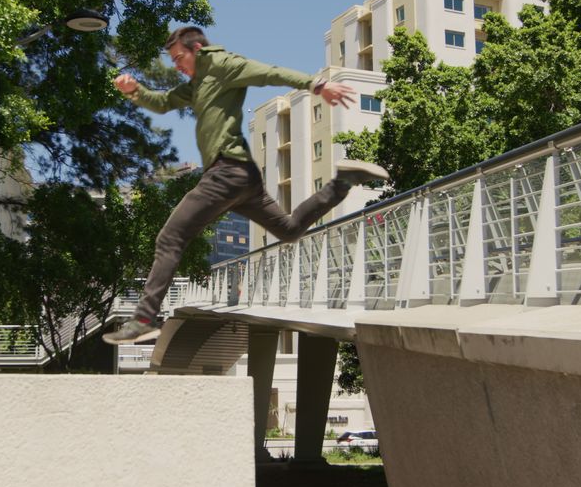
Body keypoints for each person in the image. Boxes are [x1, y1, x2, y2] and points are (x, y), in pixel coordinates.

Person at [102, 26, 388, 345]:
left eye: (179, 58)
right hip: (244, 180)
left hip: (226, 173)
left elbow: (268, 72)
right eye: (172, 61)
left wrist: (316, 85)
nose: (177, 66)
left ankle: (143, 318)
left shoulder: (223, 65)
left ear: (196, 49)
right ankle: (342, 182)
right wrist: (134, 91)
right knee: (290, 229)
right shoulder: (196, 85)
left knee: (170, 238)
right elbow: (163, 102)